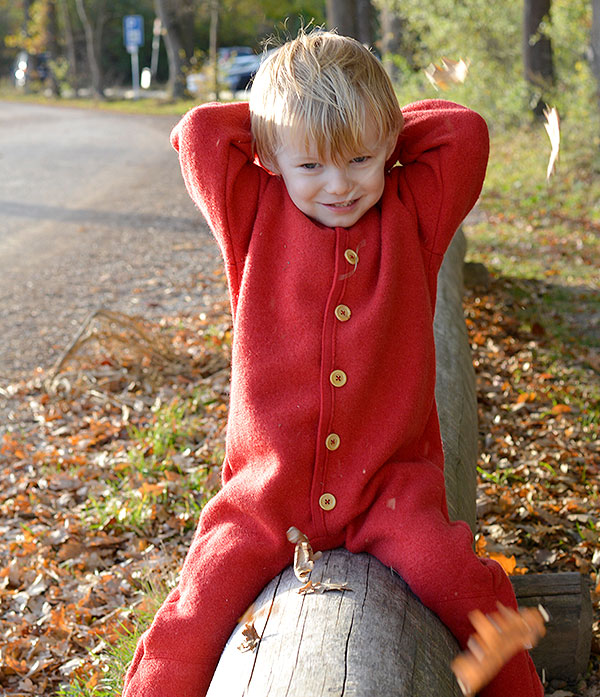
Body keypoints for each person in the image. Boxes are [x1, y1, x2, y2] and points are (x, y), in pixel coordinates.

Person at [122, 30, 545, 697]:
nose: (341, 184)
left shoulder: (413, 216)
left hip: (389, 489)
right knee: (193, 613)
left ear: (388, 150)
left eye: (359, 159)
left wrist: (369, 128)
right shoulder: (252, 217)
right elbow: (200, 131)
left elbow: (464, 133)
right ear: (269, 158)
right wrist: (275, 130)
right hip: (266, 491)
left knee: (467, 586)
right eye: (312, 166)